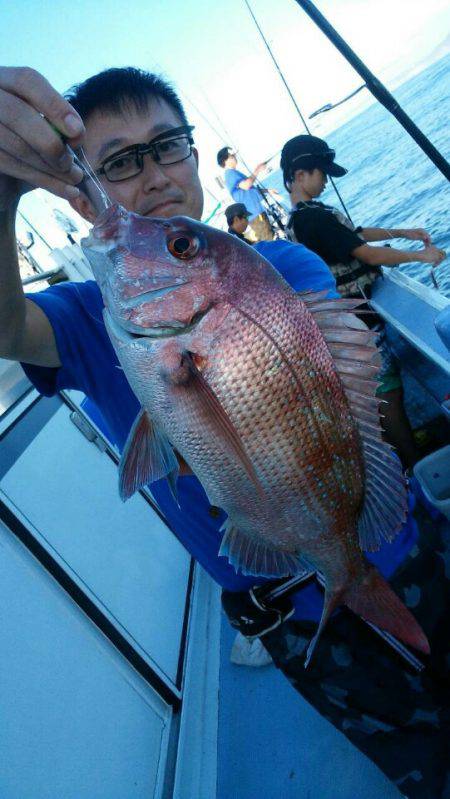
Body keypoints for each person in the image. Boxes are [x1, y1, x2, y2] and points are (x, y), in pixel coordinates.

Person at [0, 66, 449, 798]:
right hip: (297, 617)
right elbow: (5, 323)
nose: (152, 176)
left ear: (193, 153)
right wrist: (4, 195)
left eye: (167, 145)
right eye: (119, 161)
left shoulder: (283, 264)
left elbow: (328, 396)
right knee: (422, 755)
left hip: (402, 543)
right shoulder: (87, 314)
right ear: (83, 188)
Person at [280, 134, 447, 470]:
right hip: (361, 321)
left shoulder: (305, 217)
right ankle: (411, 463)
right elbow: (365, 252)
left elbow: (355, 233)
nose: (326, 180)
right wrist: (421, 255)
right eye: (321, 173)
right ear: (300, 175)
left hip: (353, 316)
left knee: (387, 389)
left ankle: (405, 458)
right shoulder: (312, 219)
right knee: (389, 392)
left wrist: (403, 231)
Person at [217, 145, 275, 241]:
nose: (235, 157)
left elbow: (250, 189)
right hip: (255, 215)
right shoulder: (230, 174)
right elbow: (247, 185)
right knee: (269, 240)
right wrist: (258, 170)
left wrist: (268, 191)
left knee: (269, 237)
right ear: (225, 160)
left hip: (257, 213)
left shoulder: (233, 173)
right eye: (232, 156)